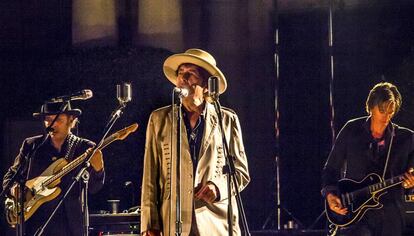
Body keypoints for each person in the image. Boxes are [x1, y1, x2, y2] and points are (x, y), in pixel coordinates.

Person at [140, 48, 250, 236]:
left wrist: (217, 187)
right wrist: (150, 224)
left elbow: (241, 173)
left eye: (191, 74)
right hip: (173, 223)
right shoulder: (159, 119)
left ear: (206, 85)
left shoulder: (227, 119)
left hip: (215, 224)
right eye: (180, 73)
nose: (183, 78)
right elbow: (150, 176)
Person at [322, 82, 414, 235]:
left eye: (391, 111)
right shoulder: (351, 130)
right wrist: (330, 194)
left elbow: (410, 173)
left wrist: (409, 183)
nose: (386, 116)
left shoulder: (406, 138)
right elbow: (331, 168)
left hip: (390, 217)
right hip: (354, 215)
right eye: (382, 110)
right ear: (371, 107)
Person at [2, 101, 105, 236]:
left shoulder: (84, 147)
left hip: (69, 226)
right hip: (35, 223)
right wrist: (13, 188)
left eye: (58, 120)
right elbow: (10, 177)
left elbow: (94, 188)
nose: (51, 124)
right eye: (48, 120)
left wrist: (99, 169)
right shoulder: (32, 145)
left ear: (72, 121)